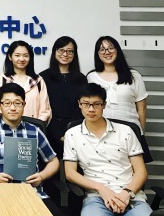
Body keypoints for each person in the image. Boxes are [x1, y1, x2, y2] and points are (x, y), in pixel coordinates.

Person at [64, 83, 152, 216]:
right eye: (86, 104)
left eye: (96, 104)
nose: (91, 109)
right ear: (79, 104)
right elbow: (70, 173)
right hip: (96, 197)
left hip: (131, 196)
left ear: (104, 105)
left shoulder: (126, 131)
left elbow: (141, 171)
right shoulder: (72, 134)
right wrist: (101, 189)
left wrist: (126, 194)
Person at [0, 83, 60, 214]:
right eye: (7, 103)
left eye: (17, 103)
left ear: (24, 105)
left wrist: (41, 176)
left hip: (32, 193)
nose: (13, 108)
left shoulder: (35, 131)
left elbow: (53, 161)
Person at [87, 36, 152, 162]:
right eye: (102, 49)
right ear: (97, 54)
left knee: (133, 168)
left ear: (117, 50)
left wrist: (140, 132)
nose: (107, 52)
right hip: (101, 132)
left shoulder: (134, 75)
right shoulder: (91, 77)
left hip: (130, 131)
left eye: (111, 48)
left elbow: (142, 108)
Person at [40, 36, 87, 157]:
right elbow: (44, 107)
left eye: (70, 51)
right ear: (54, 52)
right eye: (61, 50)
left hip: (76, 129)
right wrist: (57, 134)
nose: (65, 54)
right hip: (49, 130)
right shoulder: (43, 77)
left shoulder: (81, 78)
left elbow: (82, 106)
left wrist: (70, 130)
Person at [0, 40, 51, 123]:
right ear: (10, 57)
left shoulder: (38, 81)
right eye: (17, 55)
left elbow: (45, 111)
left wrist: (36, 126)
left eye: (25, 55)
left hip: (34, 128)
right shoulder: (2, 80)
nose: (21, 59)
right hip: (8, 128)